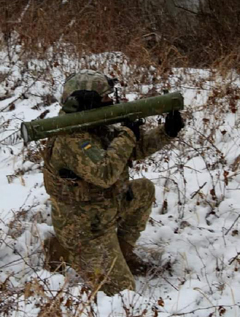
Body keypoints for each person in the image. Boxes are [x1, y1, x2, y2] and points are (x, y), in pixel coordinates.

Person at [42, 69, 184, 295]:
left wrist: (166, 132)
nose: (112, 100)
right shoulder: (71, 137)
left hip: (105, 211)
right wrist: (127, 133)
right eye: (106, 97)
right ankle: (66, 249)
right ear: (86, 101)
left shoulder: (97, 124)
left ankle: (123, 255)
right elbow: (105, 172)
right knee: (123, 291)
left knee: (143, 189)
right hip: (86, 229)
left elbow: (130, 151)